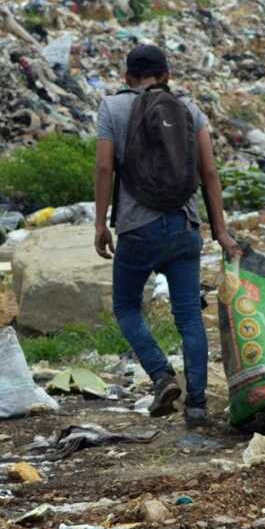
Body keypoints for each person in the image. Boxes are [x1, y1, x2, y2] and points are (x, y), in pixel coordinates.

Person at [94, 44, 240, 428]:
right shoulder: (189, 110)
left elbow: (104, 168)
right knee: (189, 316)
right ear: (167, 76)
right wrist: (220, 231)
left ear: (127, 78)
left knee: (127, 308)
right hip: (182, 226)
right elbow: (209, 173)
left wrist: (100, 224)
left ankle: (161, 375)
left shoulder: (112, 108)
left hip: (136, 230)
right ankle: (196, 406)